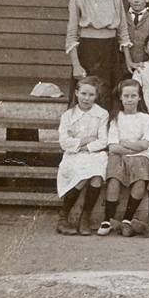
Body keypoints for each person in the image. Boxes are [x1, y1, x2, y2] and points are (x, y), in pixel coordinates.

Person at [66, 0, 134, 107]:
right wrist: (76, 65)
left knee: (109, 97)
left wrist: (128, 59)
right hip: (87, 51)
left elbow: (123, 32)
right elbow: (72, 35)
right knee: (86, 95)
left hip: (109, 52)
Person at [99, 79, 149, 236]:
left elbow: (145, 144)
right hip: (119, 156)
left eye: (133, 95)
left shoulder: (144, 117)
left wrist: (125, 144)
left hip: (141, 156)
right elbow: (113, 147)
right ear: (121, 97)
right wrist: (133, 146)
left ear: (139, 97)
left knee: (140, 178)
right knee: (114, 178)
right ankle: (108, 219)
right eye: (126, 96)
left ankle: (127, 220)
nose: (130, 99)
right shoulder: (116, 118)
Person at [56, 76, 109, 235]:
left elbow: (103, 141)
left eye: (91, 95)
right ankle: (63, 217)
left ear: (96, 96)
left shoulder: (102, 114)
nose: (87, 98)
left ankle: (85, 217)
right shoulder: (68, 116)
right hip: (74, 155)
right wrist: (86, 140)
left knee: (97, 177)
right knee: (81, 177)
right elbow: (64, 142)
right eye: (83, 93)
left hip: (95, 153)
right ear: (77, 93)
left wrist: (82, 145)